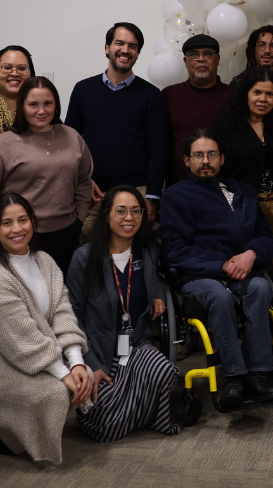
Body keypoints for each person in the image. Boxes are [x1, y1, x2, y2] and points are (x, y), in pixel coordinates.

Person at [0, 193, 92, 464]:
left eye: (23, 220)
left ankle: (11, 424)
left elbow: (63, 313)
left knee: (81, 376)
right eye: (6, 223)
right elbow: (21, 338)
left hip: (30, 352)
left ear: (33, 222)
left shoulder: (45, 261)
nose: (17, 229)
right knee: (55, 392)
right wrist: (64, 374)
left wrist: (76, 362)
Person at [161, 129, 273, 408]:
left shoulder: (244, 192)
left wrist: (251, 254)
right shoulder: (177, 196)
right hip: (198, 275)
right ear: (187, 160)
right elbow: (173, 251)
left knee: (261, 287)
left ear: (222, 158)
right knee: (219, 295)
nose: (206, 160)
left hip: (244, 272)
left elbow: (266, 238)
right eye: (198, 155)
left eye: (212, 154)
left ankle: (257, 375)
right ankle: (234, 378)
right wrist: (222, 264)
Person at [66, 185, 179, 440]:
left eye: (136, 211)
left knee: (162, 370)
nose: (129, 218)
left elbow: (156, 276)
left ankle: (134, 413)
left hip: (135, 344)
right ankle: (137, 413)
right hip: (99, 348)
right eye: (121, 211)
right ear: (106, 214)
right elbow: (72, 316)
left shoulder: (147, 248)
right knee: (103, 426)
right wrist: (90, 363)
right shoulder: (84, 258)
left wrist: (159, 291)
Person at [210, 67, 273, 354]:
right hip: (240, 209)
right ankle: (247, 352)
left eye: (269, 94)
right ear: (245, 94)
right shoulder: (225, 125)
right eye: (257, 92)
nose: (263, 99)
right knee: (248, 281)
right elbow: (213, 169)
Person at [0, 77, 93, 273]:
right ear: (21, 106)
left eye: (48, 103)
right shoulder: (0, 145)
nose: (41, 111)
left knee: (60, 290)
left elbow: (84, 182)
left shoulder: (73, 137)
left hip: (66, 235)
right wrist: (1, 228)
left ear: (56, 105)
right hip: (18, 237)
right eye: (33, 104)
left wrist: (79, 219)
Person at [65, 22, 167, 235]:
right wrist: (83, 180)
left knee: (134, 251)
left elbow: (158, 148)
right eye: (119, 43)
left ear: (137, 53)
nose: (125, 50)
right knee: (84, 248)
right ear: (107, 48)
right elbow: (69, 143)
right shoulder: (83, 90)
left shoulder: (151, 95)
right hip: (93, 194)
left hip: (136, 193)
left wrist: (152, 196)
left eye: (132, 46)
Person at [162, 34, 231, 184]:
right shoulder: (169, 95)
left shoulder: (234, 96)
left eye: (207, 54)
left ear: (218, 59)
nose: (201, 59)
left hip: (225, 186)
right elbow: (159, 144)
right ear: (185, 61)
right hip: (179, 186)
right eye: (194, 55)